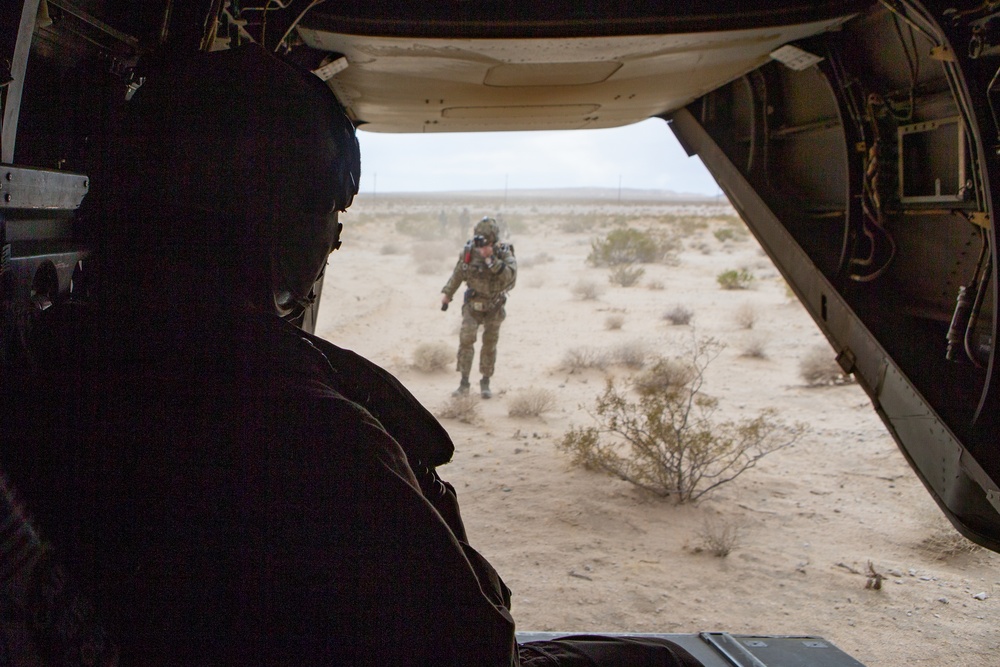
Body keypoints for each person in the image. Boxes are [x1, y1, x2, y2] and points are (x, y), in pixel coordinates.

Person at [1, 45, 702, 667]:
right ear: (273, 212)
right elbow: (476, 643)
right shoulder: (304, 428)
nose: (333, 239)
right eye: (329, 209)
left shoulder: (66, 357)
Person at [440, 217, 517, 398]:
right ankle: (464, 383)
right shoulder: (469, 252)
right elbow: (458, 274)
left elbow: (510, 278)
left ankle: (485, 382)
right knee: (466, 342)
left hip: (494, 307)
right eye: (479, 240)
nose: (481, 245)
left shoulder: (504, 253)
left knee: (489, 345)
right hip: (472, 306)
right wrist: (447, 294)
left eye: (486, 241)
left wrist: (491, 260)